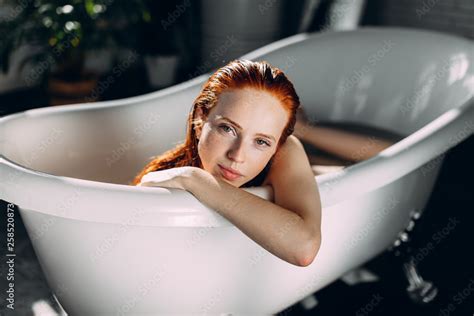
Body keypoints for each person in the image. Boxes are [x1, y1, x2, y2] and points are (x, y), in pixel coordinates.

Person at [132, 59, 322, 267]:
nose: (237, 156)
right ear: (200, 119)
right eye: (227, 129)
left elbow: (304, 248)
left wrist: (194, 179)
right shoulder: (165, 172)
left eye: (261, 142)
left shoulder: (285, 151)